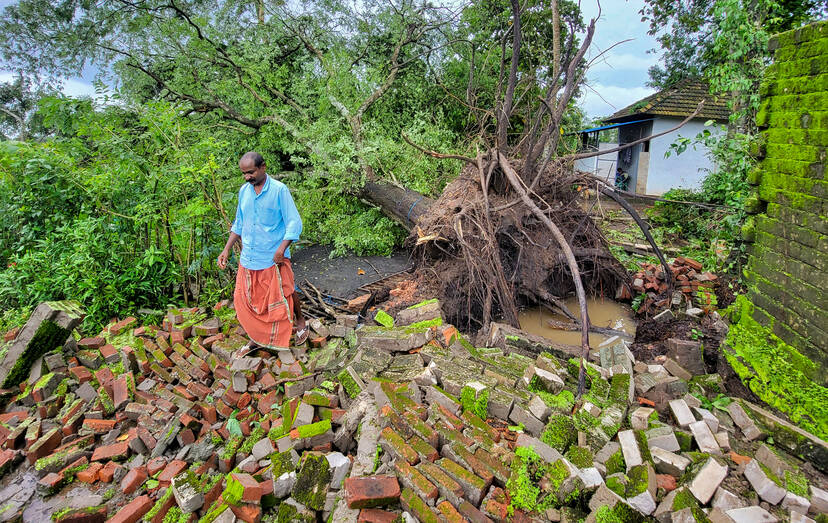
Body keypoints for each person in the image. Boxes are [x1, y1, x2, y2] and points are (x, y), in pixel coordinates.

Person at [217, 151, 308, 353]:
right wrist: (226, 249)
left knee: (286, 290)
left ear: (263, 167)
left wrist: (282, 249)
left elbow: (294, 222)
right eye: (244, 174)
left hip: (274, 255)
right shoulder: (244, 191)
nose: (247, 177)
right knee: (250, 299)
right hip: (250, 256)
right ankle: (257, 336)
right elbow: (239, 223)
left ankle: (300, 323)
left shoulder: (279, 190)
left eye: (251, 172)